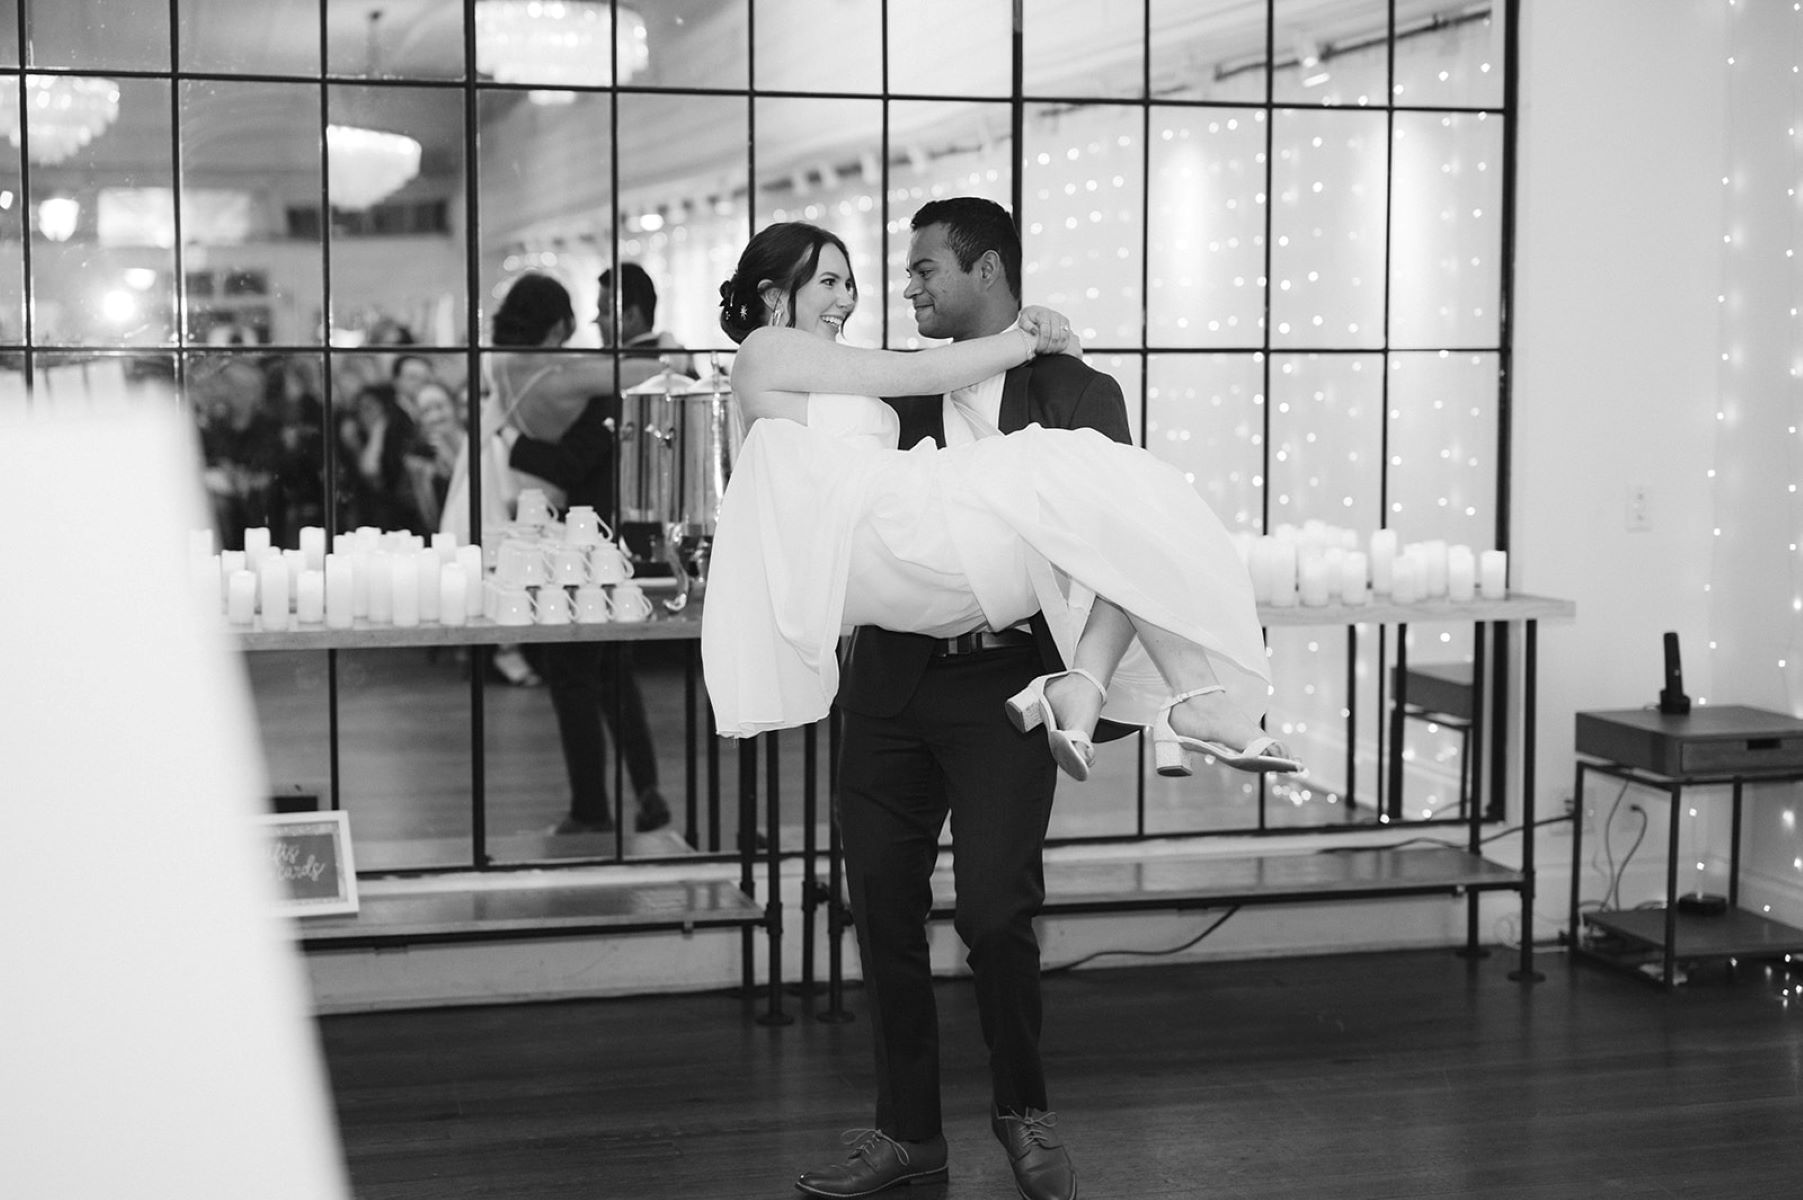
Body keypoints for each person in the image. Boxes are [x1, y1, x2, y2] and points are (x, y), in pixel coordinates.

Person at [700, 204, 1297, 1200]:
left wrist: (1090, 675)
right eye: (862, 276)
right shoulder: (896, 386)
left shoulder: (1078, 389)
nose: (901, 289)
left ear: (985, 267)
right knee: (879, 911)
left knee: (994, 911)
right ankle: (906, 1136)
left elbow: (1117, 556)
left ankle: (1024, 1113)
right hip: (893, 677)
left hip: (1003, 682)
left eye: (921, 268)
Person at [480, 272, 671, 835]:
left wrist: (513, 445)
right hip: (611, 536)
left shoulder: (598, 380)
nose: (595, 323)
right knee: (612, 673)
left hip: (583, 540)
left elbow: (570, 464)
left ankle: (594, 805)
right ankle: (645, 789)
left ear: (632, 315)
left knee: (574, 674)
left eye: (605, 310)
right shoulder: (595, 376)